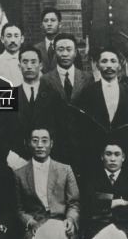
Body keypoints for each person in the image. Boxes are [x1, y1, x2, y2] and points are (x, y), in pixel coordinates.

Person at [75, 47, 128, 175]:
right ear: (97, 65)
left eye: (113, 61)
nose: (109, 65)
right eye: (104, 61)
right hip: (95, 156)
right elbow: (83, 127)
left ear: (119, 65)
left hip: (124, 155)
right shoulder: (88, 92)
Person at [39, 33, 93, 170]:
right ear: (54, 52)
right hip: (58, 148)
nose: (65, 54)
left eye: (69, 49)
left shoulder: (88, 79)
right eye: (60, 49)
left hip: (83, 147)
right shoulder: (45, 80)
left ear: (76, 52)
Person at [8, 46, 57, 165]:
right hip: (16, 160)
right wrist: (13, 157)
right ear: (19, 66)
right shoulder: (9, 96)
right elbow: (4, 130)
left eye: (33, 62)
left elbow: (58, 130)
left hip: (47, 160)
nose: (29, 66)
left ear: (41, 66)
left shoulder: (52, 95)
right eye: (25, 62)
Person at [34, 7, 83, 74]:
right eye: (46, 21)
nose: (49, 24)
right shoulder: (35, 49)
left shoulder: (70, 47)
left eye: (53, 20)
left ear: (60, 24)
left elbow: (79, 74)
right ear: (42, 25)